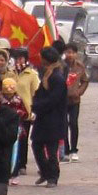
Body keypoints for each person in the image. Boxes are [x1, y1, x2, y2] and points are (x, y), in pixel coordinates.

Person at [29, 47, 67, 187]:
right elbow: (40, 93)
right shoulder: (46, 74)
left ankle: (53, 176)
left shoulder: (57, 77)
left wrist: (38, 106)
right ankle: (44, 171)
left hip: (54, 120)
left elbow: (53, 99)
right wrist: (35, 103)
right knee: (36, 145)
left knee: (51, 150)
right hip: (43, 119)